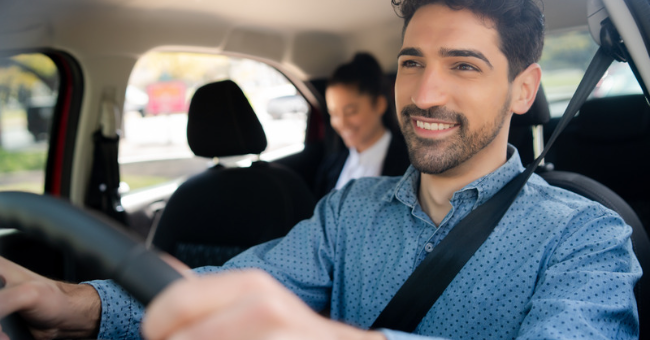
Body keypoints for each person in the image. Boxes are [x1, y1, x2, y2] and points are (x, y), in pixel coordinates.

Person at [0, 0, 642, 339]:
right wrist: (73, 303)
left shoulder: (588, 236)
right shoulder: (348, 211)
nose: (423, 95)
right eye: (412, 62)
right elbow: (228, 287)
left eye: (464, 65)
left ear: (524, 89)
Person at [314, 52, 410, 198]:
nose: (342, 123)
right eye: (334, 114)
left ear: (379, 104)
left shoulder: (409, 166)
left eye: (351, 112)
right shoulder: (330, 166)